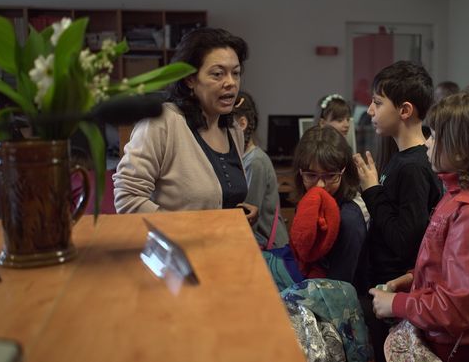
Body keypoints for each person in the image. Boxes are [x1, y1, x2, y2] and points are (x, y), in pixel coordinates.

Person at [369, 89, 469, 362]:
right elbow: (450, 268)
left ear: (463, 149)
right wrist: (411, 280)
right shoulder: (465, 193)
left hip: (456, 347)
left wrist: (397, 304)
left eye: (435, 136)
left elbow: (455, 310)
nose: (427, 143)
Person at [113, 28, 257, 222]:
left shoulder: (233, 129)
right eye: (218, 74)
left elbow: (218, 199)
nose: (231, 82)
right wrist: (183, 228)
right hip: (177, 242)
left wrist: (239, 214)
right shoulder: (161, 122)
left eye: (236, 73)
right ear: (190, 79)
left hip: (226, 240)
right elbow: (127, 197)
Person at [352, 60, 442, 362]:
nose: (370, 110)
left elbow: (404, 240)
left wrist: (371, 190)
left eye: (378, 103)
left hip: (393, 290)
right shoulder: (402, 158)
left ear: (405, 110)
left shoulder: (414, 167)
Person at [289, 125, 366, 286]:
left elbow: (339, 287)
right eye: (311, 175)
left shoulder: (349, 219)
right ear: (300, 173)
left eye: (331, 176)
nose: (321, 185)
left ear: (343, 172)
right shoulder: (309, 203)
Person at [233, 91, 289, 248]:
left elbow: (248, 217)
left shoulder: (255, 162)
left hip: (270, 248)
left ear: (242, 124)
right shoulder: (244, 159)